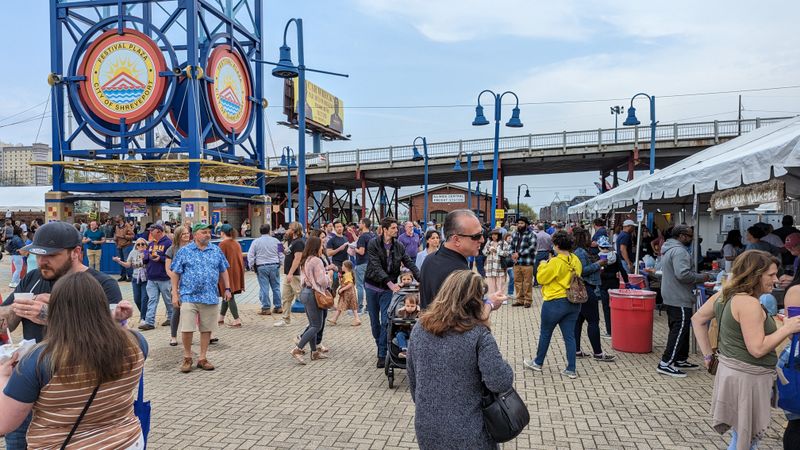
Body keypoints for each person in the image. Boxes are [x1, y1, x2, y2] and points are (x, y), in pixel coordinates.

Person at [0, 221, 131, 449]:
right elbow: (7, 324)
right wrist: (12, 311)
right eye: (38, 255)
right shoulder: (34, 278)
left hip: (73, 392)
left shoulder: (102, 284)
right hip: (26, 383)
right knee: (17, 441)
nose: (43, 261)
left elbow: (113, 339)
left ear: (76, 252)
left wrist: (52, 315)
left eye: (51, 255)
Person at [691, 250, 800, 450]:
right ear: (755, 274)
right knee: (745, 440)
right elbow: (757, 349)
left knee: (742, 437)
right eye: (771, 275)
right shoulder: (749, 303)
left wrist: (709, 355)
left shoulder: (725, 294)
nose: (775, 280)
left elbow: (697, 319)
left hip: (732, 374)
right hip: (747, 379)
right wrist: (786, 328)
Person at [407, 270, 511, 450]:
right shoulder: (479, 335)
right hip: (470, 432)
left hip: (427, 427)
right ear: (475, 302)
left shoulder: (420, 327)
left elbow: (413, 379)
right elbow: (500, 382)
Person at [170, 223, 232, 373]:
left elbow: (223, 270)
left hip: (210, 296)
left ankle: (202, 358)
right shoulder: (184, 251)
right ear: (195, 235)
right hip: (189, 295)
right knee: (187, 328)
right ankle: (187, 357)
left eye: (209, 232)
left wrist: (228, 288)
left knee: (206, 329)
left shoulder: (215, 250)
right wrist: (174, 293)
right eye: (204, 232)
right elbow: (175, 273)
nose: (207, 235)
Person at [524, 231, 583, 378]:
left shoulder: (555, 262)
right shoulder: (575, 259)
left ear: (556, 245)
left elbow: (541, 278)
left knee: (545, 333)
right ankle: (571, 368)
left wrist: (542, 265)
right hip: (573, 301)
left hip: (555, 302)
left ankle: (538, 362)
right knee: (569, 336)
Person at [365, 217, 421, 368]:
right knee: (374, 323)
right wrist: (390, 283)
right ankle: (380, 344)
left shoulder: (399, 246)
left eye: (397, 228)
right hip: (372, 286)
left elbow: (409, 263)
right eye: (394, 228)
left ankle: (382, 354)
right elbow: (376, 266)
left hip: (387, 291)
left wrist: (421, 279)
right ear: (384, 230)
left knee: (385, 321)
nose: (397, 230)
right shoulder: (373, 244)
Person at [658, 225, 710, 377]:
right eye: (689, 235)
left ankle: (680, 358)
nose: (692, 238)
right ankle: (666, 362)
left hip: (672, 294)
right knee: (679, 329)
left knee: (681, 328)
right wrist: (702, 277)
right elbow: (683, 275)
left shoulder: (669, 248)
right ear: (681, 236)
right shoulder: (679, 251)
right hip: (678, 296)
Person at [572, 228, 615, 362]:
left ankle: (576, 350)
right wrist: (598, 264)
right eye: (588, 237)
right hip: (586, 288)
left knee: (579, 321)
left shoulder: (577, 251)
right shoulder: (580, 252)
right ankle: (598, 353)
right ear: (582, 238)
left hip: (581, 288)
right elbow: (583, 271)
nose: (591, 240)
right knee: (593, 321)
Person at [290, 236, 331, 364]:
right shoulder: (317, 261)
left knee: (312, 323)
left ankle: (314, 352)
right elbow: (321, 281)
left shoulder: (306, 259)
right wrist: (329, 275)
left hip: (305, 292)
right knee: (316, 325)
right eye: (321, 245)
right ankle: (297, 349)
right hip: (314, 293)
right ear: (316, 247)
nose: (322, 248)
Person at [113, 237, 149, 326]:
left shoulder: (148, 253)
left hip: (146, 279)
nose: (140, 246)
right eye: (138, 244)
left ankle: (143, 317)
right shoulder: (133, 253)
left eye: (142, 244)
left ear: (146, 245)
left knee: (144, 298)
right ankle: (145, 314)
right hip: (135, 278)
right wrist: (119, 261)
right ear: (136, 245)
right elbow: (128, 265)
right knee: (137, 299)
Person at [248, 224, 283, 315]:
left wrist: (251, 265)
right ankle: (278, 306)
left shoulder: (255, 242)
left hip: (261, 266)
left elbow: (250, 255)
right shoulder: (277, 241)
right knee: (276, 287)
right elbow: (281, 253)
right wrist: (281, 263)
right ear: (269, 231)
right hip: (274, 265)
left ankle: (266, 308)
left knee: (264, 288)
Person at [275, 222, 305, 327]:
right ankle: (285, 319)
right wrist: (281, 249)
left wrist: (291, 273)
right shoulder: (292, 241)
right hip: (288, 273)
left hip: (294, 274)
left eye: (289, 228)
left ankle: (313, 317)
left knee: (301, 295)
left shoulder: (299, 242)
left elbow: (297, 258)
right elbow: (288, 253)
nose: (287, 231)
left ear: (294, 230)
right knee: (286, 297)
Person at [218, 224, 244, 328]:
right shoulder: (236, 243)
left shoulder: (223, 244)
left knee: (229, 294)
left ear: (222, 233)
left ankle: (237, 320)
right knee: (228, 294)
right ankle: (221, 318)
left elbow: (220, 260)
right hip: (236, 272)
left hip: (227, 273)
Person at [510, 217, 537, 308]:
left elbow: (532, 247)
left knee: (527, 282)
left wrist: (519, 254)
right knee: (517, 282)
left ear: (526, 224)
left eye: (522, 223)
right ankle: (519, 300)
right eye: (518, 223)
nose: (520, 225)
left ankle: (528, 300)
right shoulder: (514, 234)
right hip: (517, 263)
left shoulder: (531, 235)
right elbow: (511, 246)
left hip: (527, 263)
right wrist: (512, 254)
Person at [328, 260, 361, 326]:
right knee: (353, 306)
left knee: (341, 305)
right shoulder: (346, 274)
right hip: (349, 293)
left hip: (347, 293)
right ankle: (357, 319)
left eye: (343, 265)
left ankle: (334, 319)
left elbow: (350, 284)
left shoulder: (348, 275)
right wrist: (340, 278)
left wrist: (342, 289)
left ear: (346, 267)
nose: (342, 267)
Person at [353, 218, 376, 314]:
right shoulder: (372, 236)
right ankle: (369, 307)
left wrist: (354, 249)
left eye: (360, 223)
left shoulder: (362, 237)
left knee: (359, 286)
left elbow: (361, 251)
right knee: (369, 285)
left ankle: (359, 307)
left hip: (362, 263)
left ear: (363, 224)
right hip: (371, 263)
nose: (358, 224)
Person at [482, 229, 510, 297]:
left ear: (498, 235)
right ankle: (492, 297)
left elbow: (506, 253)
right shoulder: (488, 242)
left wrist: (497, 251)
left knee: (500, 283)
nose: (493, 236)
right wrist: (488, 250)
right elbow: (484, 252)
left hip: (499, 266)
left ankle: (501, 297)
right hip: (490, 267)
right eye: (492, 235)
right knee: (491, 284)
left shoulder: (503, 243)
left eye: (495, 235)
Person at [326, 220, 350, 294]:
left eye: (340, 226)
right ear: (334, 228)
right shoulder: (331, 240)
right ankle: (331, 299)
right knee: (335, 284)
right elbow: (329, 253)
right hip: (336, 264)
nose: (339, 228)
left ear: (343, 227)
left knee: (346, 285)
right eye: (337, 227)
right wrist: (339, 249)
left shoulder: (346, 238)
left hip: (346, 264)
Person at [393, 292, 420, 358]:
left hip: (414, 331)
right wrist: (400, 310)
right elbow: (398, 316)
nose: (410, 308)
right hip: (404, 330)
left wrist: (419, 311)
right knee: (399, 335)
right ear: (404, 305)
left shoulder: (418, 312)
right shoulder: (403, 312)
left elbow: (422, 317)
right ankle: (404, 350)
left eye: (412, 306)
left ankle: (416, 351)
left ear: (416, 305)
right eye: (407, 306)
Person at [114, 216, 135, 282]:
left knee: (127, 261)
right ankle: (123, 276)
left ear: (121, 219)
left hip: (126, 245)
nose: (116, 219)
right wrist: (116, 240)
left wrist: (123, 236)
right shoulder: (117, 226)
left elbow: (132, 236)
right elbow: (116, 234)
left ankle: (130, 276)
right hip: (119, 245)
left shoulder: (127, 226)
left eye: (117, 218)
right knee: (120, 261)